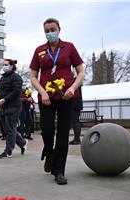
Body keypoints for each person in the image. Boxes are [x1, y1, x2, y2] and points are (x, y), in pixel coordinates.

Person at [29, 18, 85, 185]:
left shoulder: (69, 47)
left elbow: (81, 71)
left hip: (66, 96)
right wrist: (42, 92)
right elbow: (33, 76)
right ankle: (49, 153)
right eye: (47, 30)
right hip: (46, 97)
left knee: (62, 134)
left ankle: (59, 170)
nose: (50, 33)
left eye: (53, 29)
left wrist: (73, 88)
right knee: (47, 131)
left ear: (59, 29)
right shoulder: (39, 50)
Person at [0, 59, 28, 159]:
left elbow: (16, 92)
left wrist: (4, 99)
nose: (3, 66)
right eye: (3, 65)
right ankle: (22, 143)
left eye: (5, 65)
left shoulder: (16, 77)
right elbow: (0, 91)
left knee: (10, 129)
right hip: (4, 106)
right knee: (8, 129)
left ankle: (8, 151)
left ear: (11, 66)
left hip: (14, 106)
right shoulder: (2, 78)